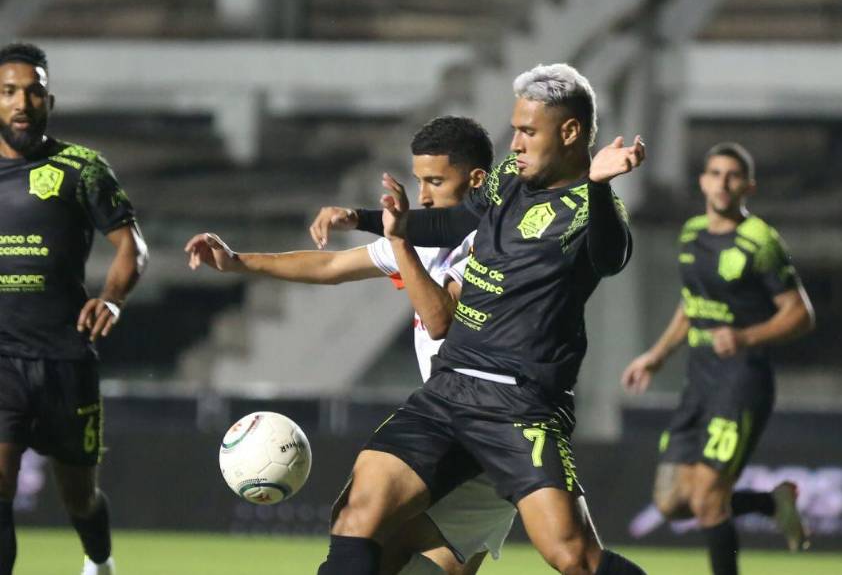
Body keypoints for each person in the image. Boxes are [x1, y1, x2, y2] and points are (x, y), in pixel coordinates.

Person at [188, 115, 564, 575]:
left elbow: (440, 318)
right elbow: (328, 268)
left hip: (497, 426)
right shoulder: (427, 241)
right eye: (419, 180)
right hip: (450, 422)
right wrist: (237, 262)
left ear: (477, 180)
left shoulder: (497, 243)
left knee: (371, 532)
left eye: (435, 181)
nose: (423, 194)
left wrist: (400, 242)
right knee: (361, 528)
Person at [315, 63, 646, 575]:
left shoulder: (591, 209)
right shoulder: (510, 179)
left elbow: (611, 256)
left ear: (570, 132)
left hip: (519, 403)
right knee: (357, 514)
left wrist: (601, 187)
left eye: (527, 131)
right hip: (449, 388)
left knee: (573, 557)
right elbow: (454, 220)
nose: (513, 142)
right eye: (515, 128)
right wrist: (368, 220)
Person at [620, 142, 814, 575]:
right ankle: (772, 503)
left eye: (733, 176)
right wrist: (656, 356)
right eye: (715, 174)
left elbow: (801, 314)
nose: (723, 183)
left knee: (708, 498)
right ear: (703, 181)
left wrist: (745, 336)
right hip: (699, 380)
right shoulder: (691, 234)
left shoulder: (759, 241)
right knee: (671, 502)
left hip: (742, 381)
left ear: (748, 186)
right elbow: (692, 306)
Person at [0, 42, 148, 575]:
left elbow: (133, 247)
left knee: (80, 499)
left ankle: (99, 560)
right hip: (2, 360)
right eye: (9, 91)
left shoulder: (81, 168)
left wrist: (111, 298)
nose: (22, 102)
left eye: (33, 91)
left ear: (49, 100)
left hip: (65, 358)